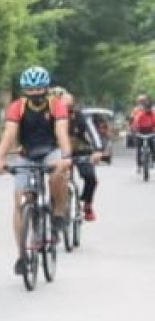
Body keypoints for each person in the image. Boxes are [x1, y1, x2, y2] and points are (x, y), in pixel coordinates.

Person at [0, 67, 74, 274]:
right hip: (26, 153)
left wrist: (66, 157)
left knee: (58, 175)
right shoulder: (16, 107)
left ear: (46, 88)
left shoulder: (57, 105)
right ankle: (22, 255)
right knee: (20, 201)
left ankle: (57, 214)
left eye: (39, 89)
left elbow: (61, 133)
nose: (36, 93)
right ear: (24, 90)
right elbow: (9, 133)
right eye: (31, 90)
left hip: (50, 150)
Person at [53, 87, 105, 221]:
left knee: (90, 177)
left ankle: (87, 204)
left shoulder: (81, 117)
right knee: (56, 180)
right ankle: (55, 210)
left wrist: (98, 150)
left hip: (81, 151)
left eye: (68, 107)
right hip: (59, 154)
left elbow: (93, 133)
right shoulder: (50, 117)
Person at [130, 95, 155, 169]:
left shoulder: (153, 113)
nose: (142, 102)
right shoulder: (137, 112)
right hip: (140, 132)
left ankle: (153, 159)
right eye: (140, 100)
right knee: (138, 148)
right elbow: (135, 121)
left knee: (152, 146)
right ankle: (139, 164)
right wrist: (134, 129)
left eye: (143, 100)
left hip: (150, 133)